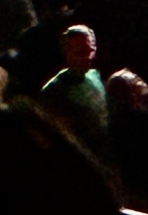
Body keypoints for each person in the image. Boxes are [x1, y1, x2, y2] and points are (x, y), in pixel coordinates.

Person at [41, 24, 109, 156]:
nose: (88, 58)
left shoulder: (96, 76)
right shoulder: (54, 92)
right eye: (81, 52)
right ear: (67, 52)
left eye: (91, 50)